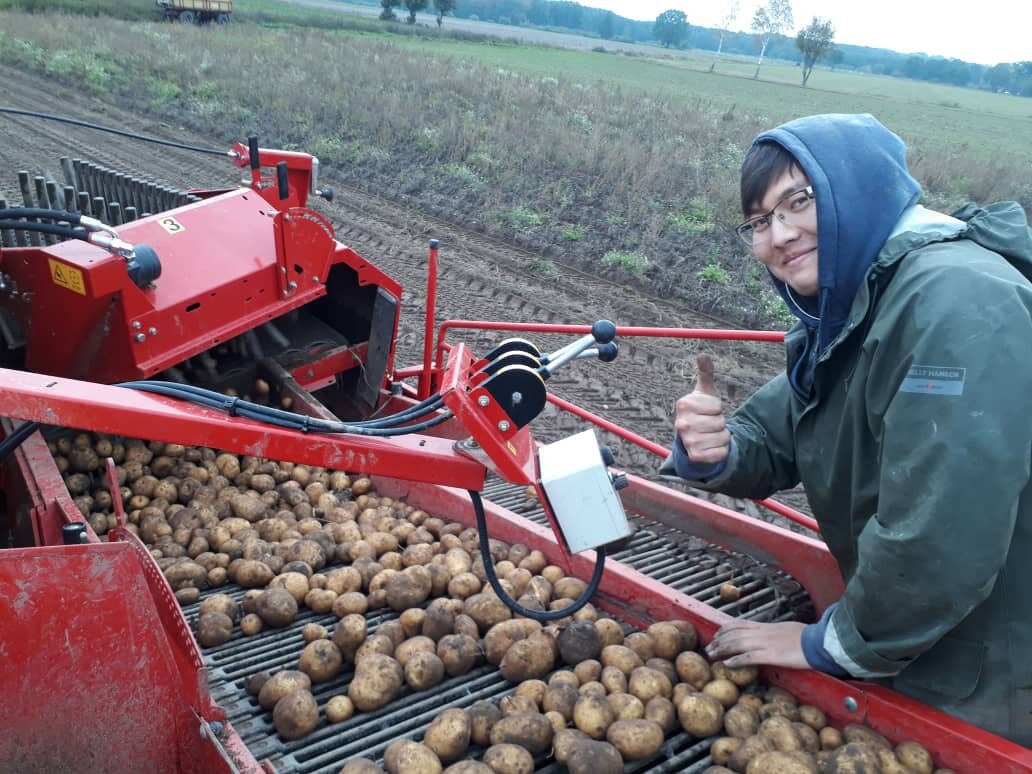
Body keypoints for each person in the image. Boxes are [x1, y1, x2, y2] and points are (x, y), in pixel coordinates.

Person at [663, 113, 1032, 746]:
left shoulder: (956, 302)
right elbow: (783, 428)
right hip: (921, 640)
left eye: (798, 201)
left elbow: (942, 535)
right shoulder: (860, 304)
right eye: (758, 221)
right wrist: (718, 449)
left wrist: (830, 642)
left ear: (856, 189)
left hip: (992, 672)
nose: (778, 235)